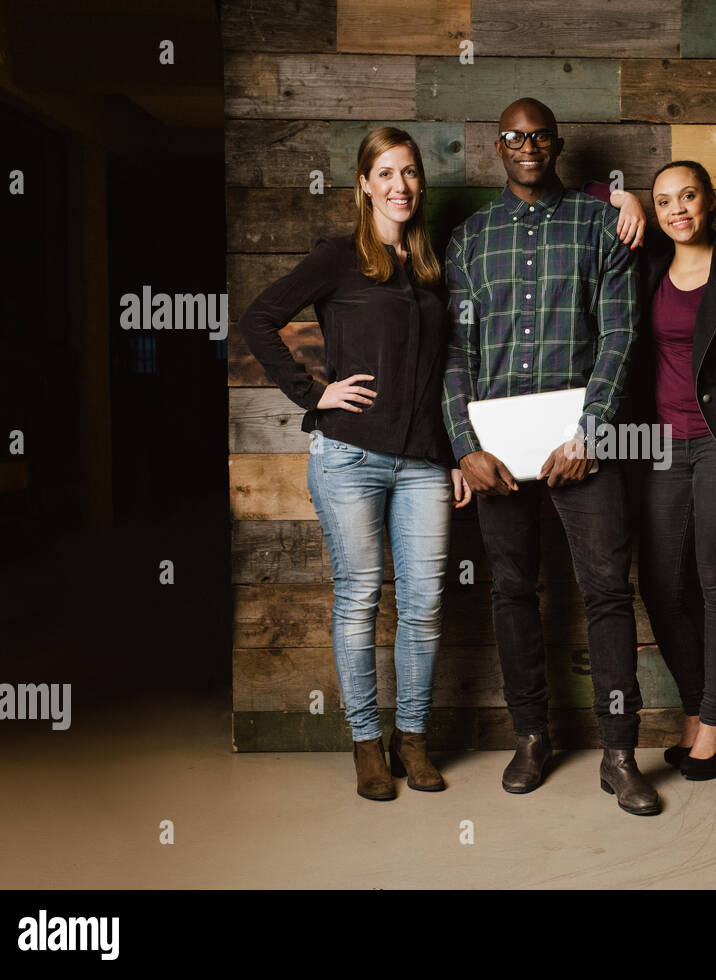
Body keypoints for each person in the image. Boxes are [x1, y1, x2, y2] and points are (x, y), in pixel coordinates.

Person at [238, 127, 472, 802]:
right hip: (349, 457)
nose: (401, 185)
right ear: (365, 184)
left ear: (420, 184)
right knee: (359, 601)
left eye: (411, 173)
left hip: (425, 462)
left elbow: (444, 370)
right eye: (386, 173)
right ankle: (367, 744)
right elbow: (259, 319)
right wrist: (315, 393)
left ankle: (414, 740)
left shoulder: (432, 267)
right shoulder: (338, 258)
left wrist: (456, 449)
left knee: (425, 606)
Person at [442, 97, 660, 816]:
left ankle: (620, 753)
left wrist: (593, 432)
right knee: (512, 592)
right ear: (497, 147)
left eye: (538, 136)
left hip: (583, 450)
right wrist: (465, 449)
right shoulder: (470, 240)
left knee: (606, 593)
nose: (527, 146)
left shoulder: (601, 225)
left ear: (557, 144)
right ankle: (532, 735)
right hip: (499, 457)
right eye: (513, 137)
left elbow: (620, 337)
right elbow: (455, 355)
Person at [583, 162, 716, 780]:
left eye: (687, 196)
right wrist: (621, 197)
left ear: (709, 200)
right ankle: (699, 707)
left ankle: (715, 725)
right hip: (659, 450)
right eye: (664, 202)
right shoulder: (645, 269)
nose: (676, 210)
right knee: (661, 588)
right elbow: (556, 196)